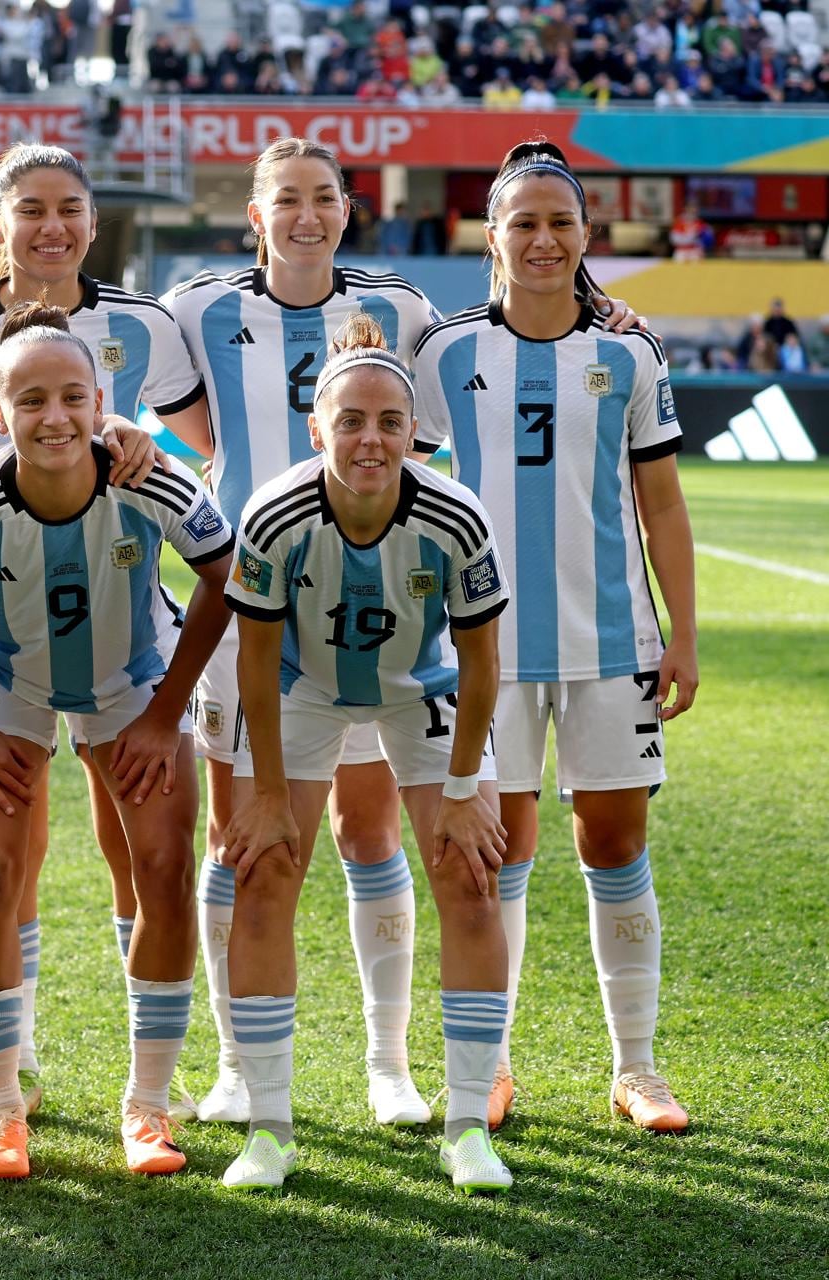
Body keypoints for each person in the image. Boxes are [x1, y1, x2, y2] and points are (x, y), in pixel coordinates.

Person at [0, 143, 210, 1127]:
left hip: (128, 643)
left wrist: (143, 454)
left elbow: (211, 475)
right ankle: (6, 1084)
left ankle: (149, 1093)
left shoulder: (141, 332)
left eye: (69, 207)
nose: (51, 226)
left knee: (152, 859)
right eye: (28, 209)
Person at [414, 140, 697, 1134]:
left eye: (559, 223)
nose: (542, 238)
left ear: (587, 239)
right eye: (523, 222)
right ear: (492, 237)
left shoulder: (629, 352)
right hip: (482, 654)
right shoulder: (446, 353)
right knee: (498, 854)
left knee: (615, 840)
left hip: (612, 641)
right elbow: (393, 478)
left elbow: (661, 504)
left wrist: (684, 635)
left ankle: (638, 1067)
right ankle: (489, 1064)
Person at [165, 137, 446, 1128]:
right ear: (255, 212)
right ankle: (239, 1065)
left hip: (365, 612)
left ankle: (389, 1063)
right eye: (285, 200)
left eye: (322, 198)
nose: (305, 216)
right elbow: (196, 430)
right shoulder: (197, 306)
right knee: (239, 835)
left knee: (366, 824)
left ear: (345, 207)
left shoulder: (400, 308)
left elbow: (434, 422)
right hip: (249, 617)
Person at [219, 314, 514, 1194]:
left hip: (423, 687)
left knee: (468, 872)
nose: (371, 439)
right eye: (351, 421)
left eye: (390, 421)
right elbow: (258, 658)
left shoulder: (455, 515)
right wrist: (268, 788)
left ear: (414, 429)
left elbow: (483, 661)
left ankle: (466, 1127)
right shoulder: (274, 513)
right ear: (319, 429)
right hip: (303, 688)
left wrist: (464, 787)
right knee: (264, 870)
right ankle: (269, 1130)